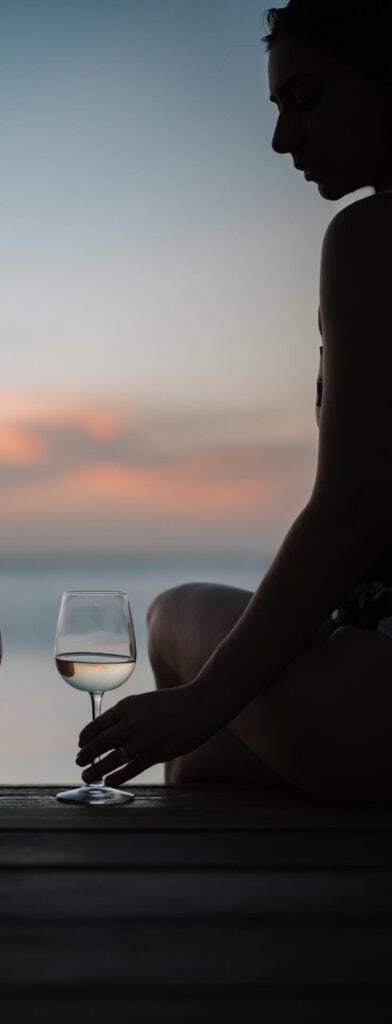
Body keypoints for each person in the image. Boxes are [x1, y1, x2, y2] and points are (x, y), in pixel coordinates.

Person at [76, 0, 392, 806]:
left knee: (173, 614)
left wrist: (205, 696)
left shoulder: (372, 238)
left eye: (307, 99)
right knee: (208, 761)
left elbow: (355, 506)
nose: (284, 140)